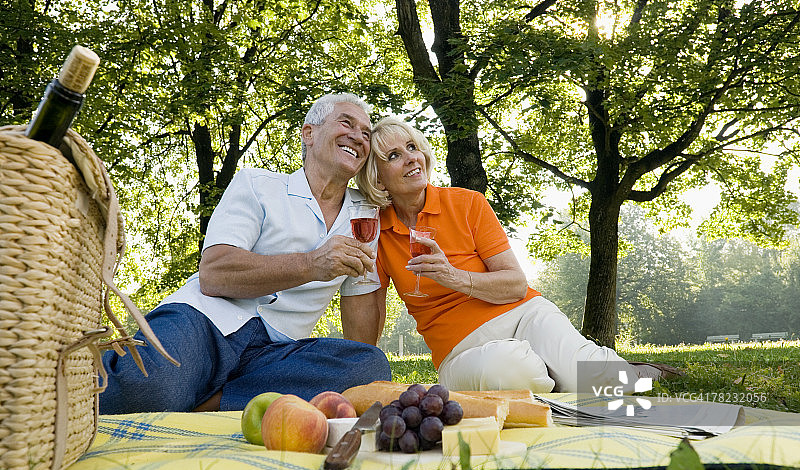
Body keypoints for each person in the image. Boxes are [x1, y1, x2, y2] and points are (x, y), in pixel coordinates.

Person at [100, 93, 391, 414]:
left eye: (366, 133)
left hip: (277, 355)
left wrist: (356, 375)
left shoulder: (365, 215)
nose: (358, 137)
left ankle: (208, 402)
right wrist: (312, 264)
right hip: (206, 322)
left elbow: (360, 307)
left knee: (369, 368)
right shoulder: (258, 185)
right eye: (346, 123)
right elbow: (214, 275)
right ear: (309, 133)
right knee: (141, 392)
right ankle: (213, 394)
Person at [355, 116, 681, 393]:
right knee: (509, 374)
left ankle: (632, 372)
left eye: (412, 147)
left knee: (608, 386)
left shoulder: (468, 203)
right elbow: (369, 304)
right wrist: (360, 371)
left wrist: (453, 276)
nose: (412, 157)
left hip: (523, 315)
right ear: (377, 178)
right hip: (460, 349)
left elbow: (514, 285)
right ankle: (559, 371)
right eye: (394, 155)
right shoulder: (374, 229)